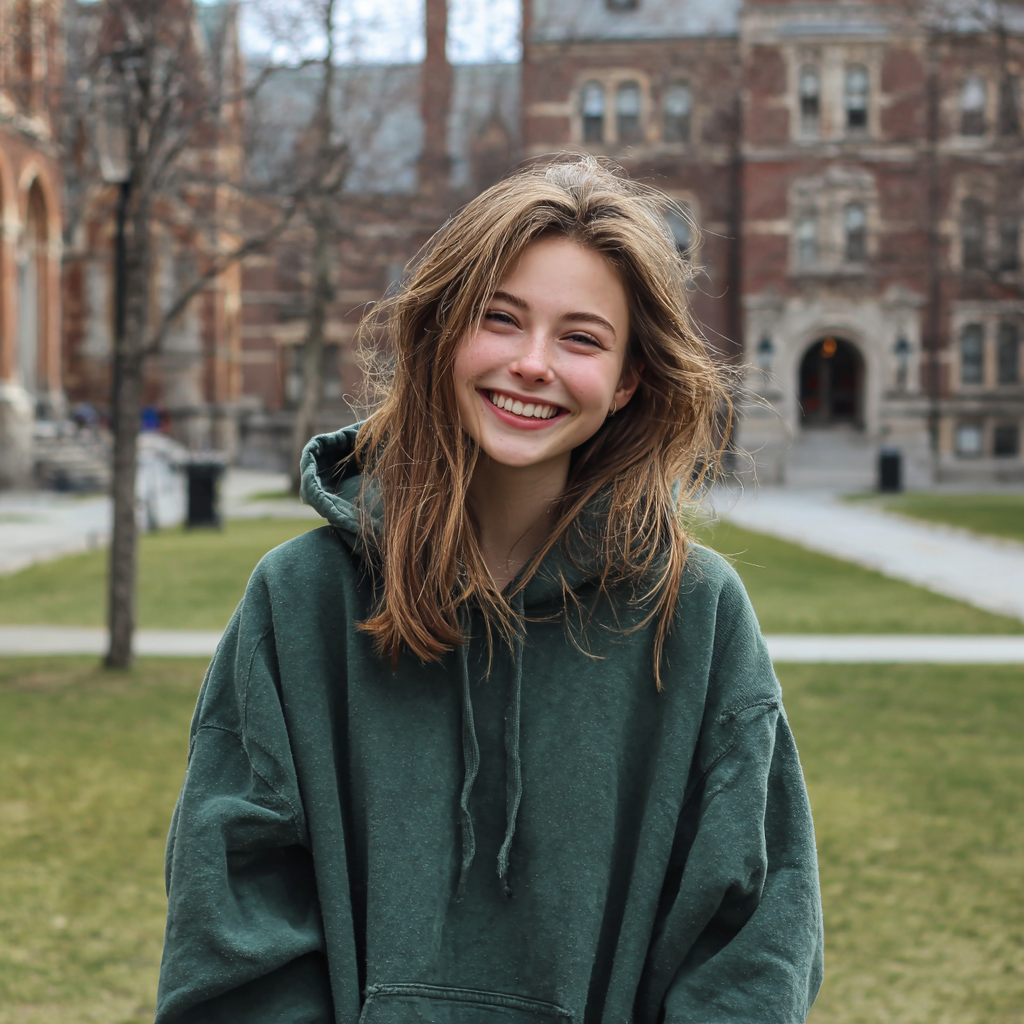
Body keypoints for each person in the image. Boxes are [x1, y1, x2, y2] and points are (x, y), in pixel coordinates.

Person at [155, 156, 823, 1023]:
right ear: (441, 333)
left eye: (581, 338)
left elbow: (752, 943)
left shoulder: (694, 613)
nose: (533, 364)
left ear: (629, 382)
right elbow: (230, 916)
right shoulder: (302, 599)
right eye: (499, 320)